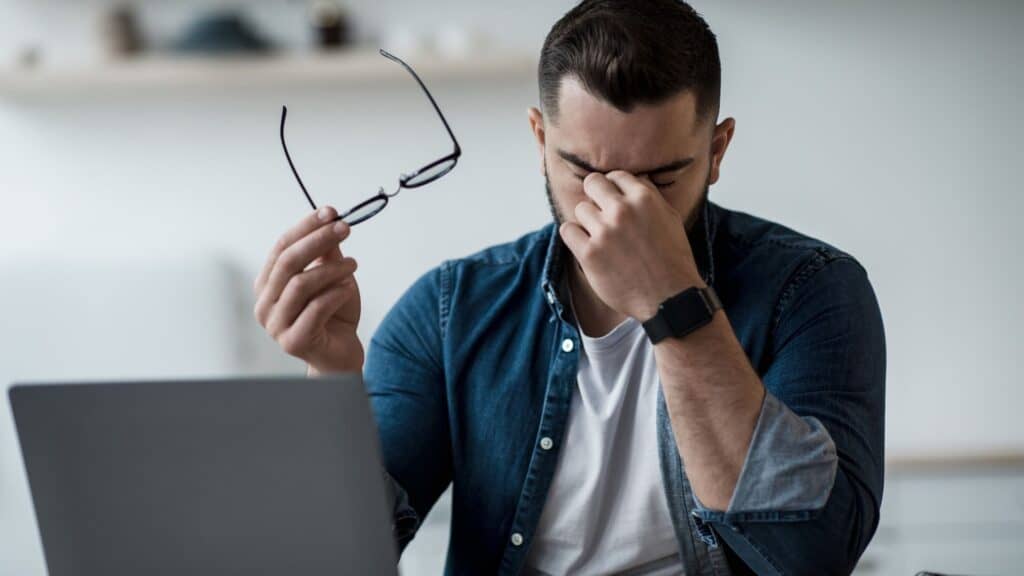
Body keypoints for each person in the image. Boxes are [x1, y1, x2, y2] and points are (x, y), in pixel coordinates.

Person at [253, 1, 886, 574]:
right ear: (540, 140)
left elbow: (811, 555)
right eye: (583, 170)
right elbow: (339, 556)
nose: (616, 205)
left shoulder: (812, 291)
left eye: (659, 180)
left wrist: (674, 304)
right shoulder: (452, 310)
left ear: (717, 150)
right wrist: (331, 376)